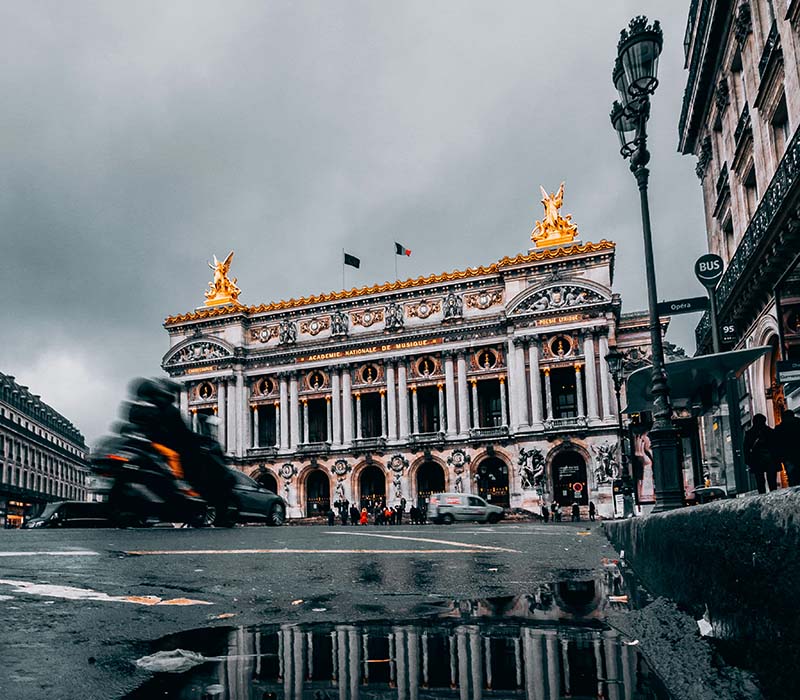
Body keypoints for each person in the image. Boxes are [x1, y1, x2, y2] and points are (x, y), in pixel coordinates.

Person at [743, 413, 781, 494]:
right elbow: (776, 446)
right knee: (771, 478)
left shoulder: (750, 433)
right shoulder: (770, 431)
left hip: (756, 459)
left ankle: (762, 494)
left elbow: (746, 448)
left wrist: (748, 460)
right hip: (770, 458)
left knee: (760, 479)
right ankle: (773, 493)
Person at [774, 409, 800, 487]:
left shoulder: (779, 428)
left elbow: (777, 443)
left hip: (787, 455)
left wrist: (779, 457)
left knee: (791, 473)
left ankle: (794, 487)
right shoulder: (798, 423)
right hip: (798, 452)